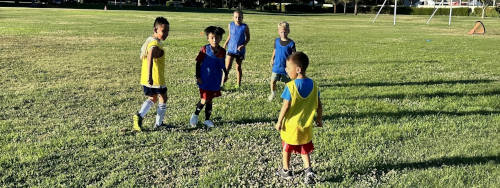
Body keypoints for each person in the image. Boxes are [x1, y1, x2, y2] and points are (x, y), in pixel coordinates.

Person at [275, 52, 323, 184]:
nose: (286, 70)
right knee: (304, 149)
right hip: (306, 126)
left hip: (290, 126)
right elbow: (319, 105)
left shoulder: (290, 87)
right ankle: (309, 171)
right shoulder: (314, 85)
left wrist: (279, 122)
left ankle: (286, 171)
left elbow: (285, 107)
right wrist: (319, 119)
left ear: (298, 69)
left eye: (288, 67)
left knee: (286, 148)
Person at [133, 17, 170, 131]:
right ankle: (159, 124)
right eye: (163, 31)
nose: (166, 34)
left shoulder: (149, 40)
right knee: (163, 98)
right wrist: (150, 75)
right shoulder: (154, 44)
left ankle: (139, 116)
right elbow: (150, 56)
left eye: (168, 31)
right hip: (155, 77)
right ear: (155, 29)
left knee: (152, 98)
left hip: (146, 78)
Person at [190, 26, 228, 128]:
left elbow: (222, 65)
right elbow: (198, 63)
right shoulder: (204, 49)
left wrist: (226, 73)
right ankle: (195, 115)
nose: (214, 40)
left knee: (210, 99)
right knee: (204, 98)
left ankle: (207, 119)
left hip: (215, 79)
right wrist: (198, 76)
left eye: (217, 37)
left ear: (220, 38)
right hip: (204, 79)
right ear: (208, 38)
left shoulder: (223, 51)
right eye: (212, 38)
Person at [268, 21, 296, 101]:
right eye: (281, 32)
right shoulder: (277, 41)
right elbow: (275, 50)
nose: (283, 33)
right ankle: (273, 93)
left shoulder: (291, 43)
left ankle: (287, 96)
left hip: (286, 68)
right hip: (276, 66)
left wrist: (292, 65)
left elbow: (294, 55)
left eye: (285, 31)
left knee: (288, 83)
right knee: (273, 81)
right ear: (278, 31)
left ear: (288, 31)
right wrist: (272, 58)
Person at [223, 10, 250, 89]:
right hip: (231, 49)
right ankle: (222, 83)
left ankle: (238, 84)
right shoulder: (230, 25)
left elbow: (248, 38)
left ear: (242, 18)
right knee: (227, 67)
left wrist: (243, 45)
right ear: (233, 18)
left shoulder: (244, 27)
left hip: (240, 51)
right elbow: (230, 35)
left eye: (240, 17)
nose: (238, 18)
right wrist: (225, 44)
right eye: (236, 17)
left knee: (238, 67)